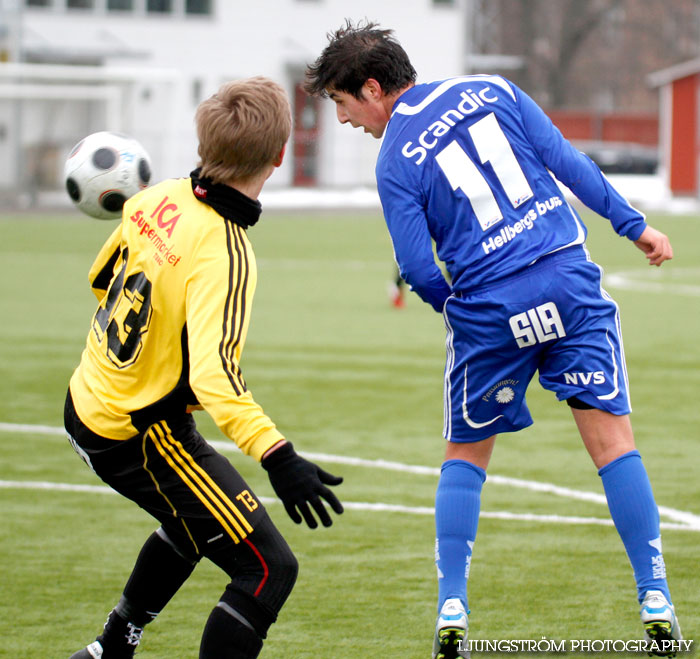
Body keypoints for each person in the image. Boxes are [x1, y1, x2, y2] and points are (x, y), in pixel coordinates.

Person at [305, 20, 682, 659]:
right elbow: (568, 162)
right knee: (614, 446)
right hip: (566, 278)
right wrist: (633, 226)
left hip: (490, 310)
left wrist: (463, 314)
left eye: (342, 104)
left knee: (466, 457)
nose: (343, 120)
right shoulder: (494, 89)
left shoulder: (395, 159)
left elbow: (420, 269)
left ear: (372, 89)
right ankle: (655, 596)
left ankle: (452, 604)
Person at [64, 76, 344, 659]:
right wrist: (279, 457)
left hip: (90, 396)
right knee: (269, 569)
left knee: (195, 519)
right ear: (279, 157)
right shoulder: (225, 250)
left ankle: (112, 646)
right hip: (138, 431)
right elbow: (216, 378)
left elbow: (101, 279)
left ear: (205, 145)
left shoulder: (156, 196)